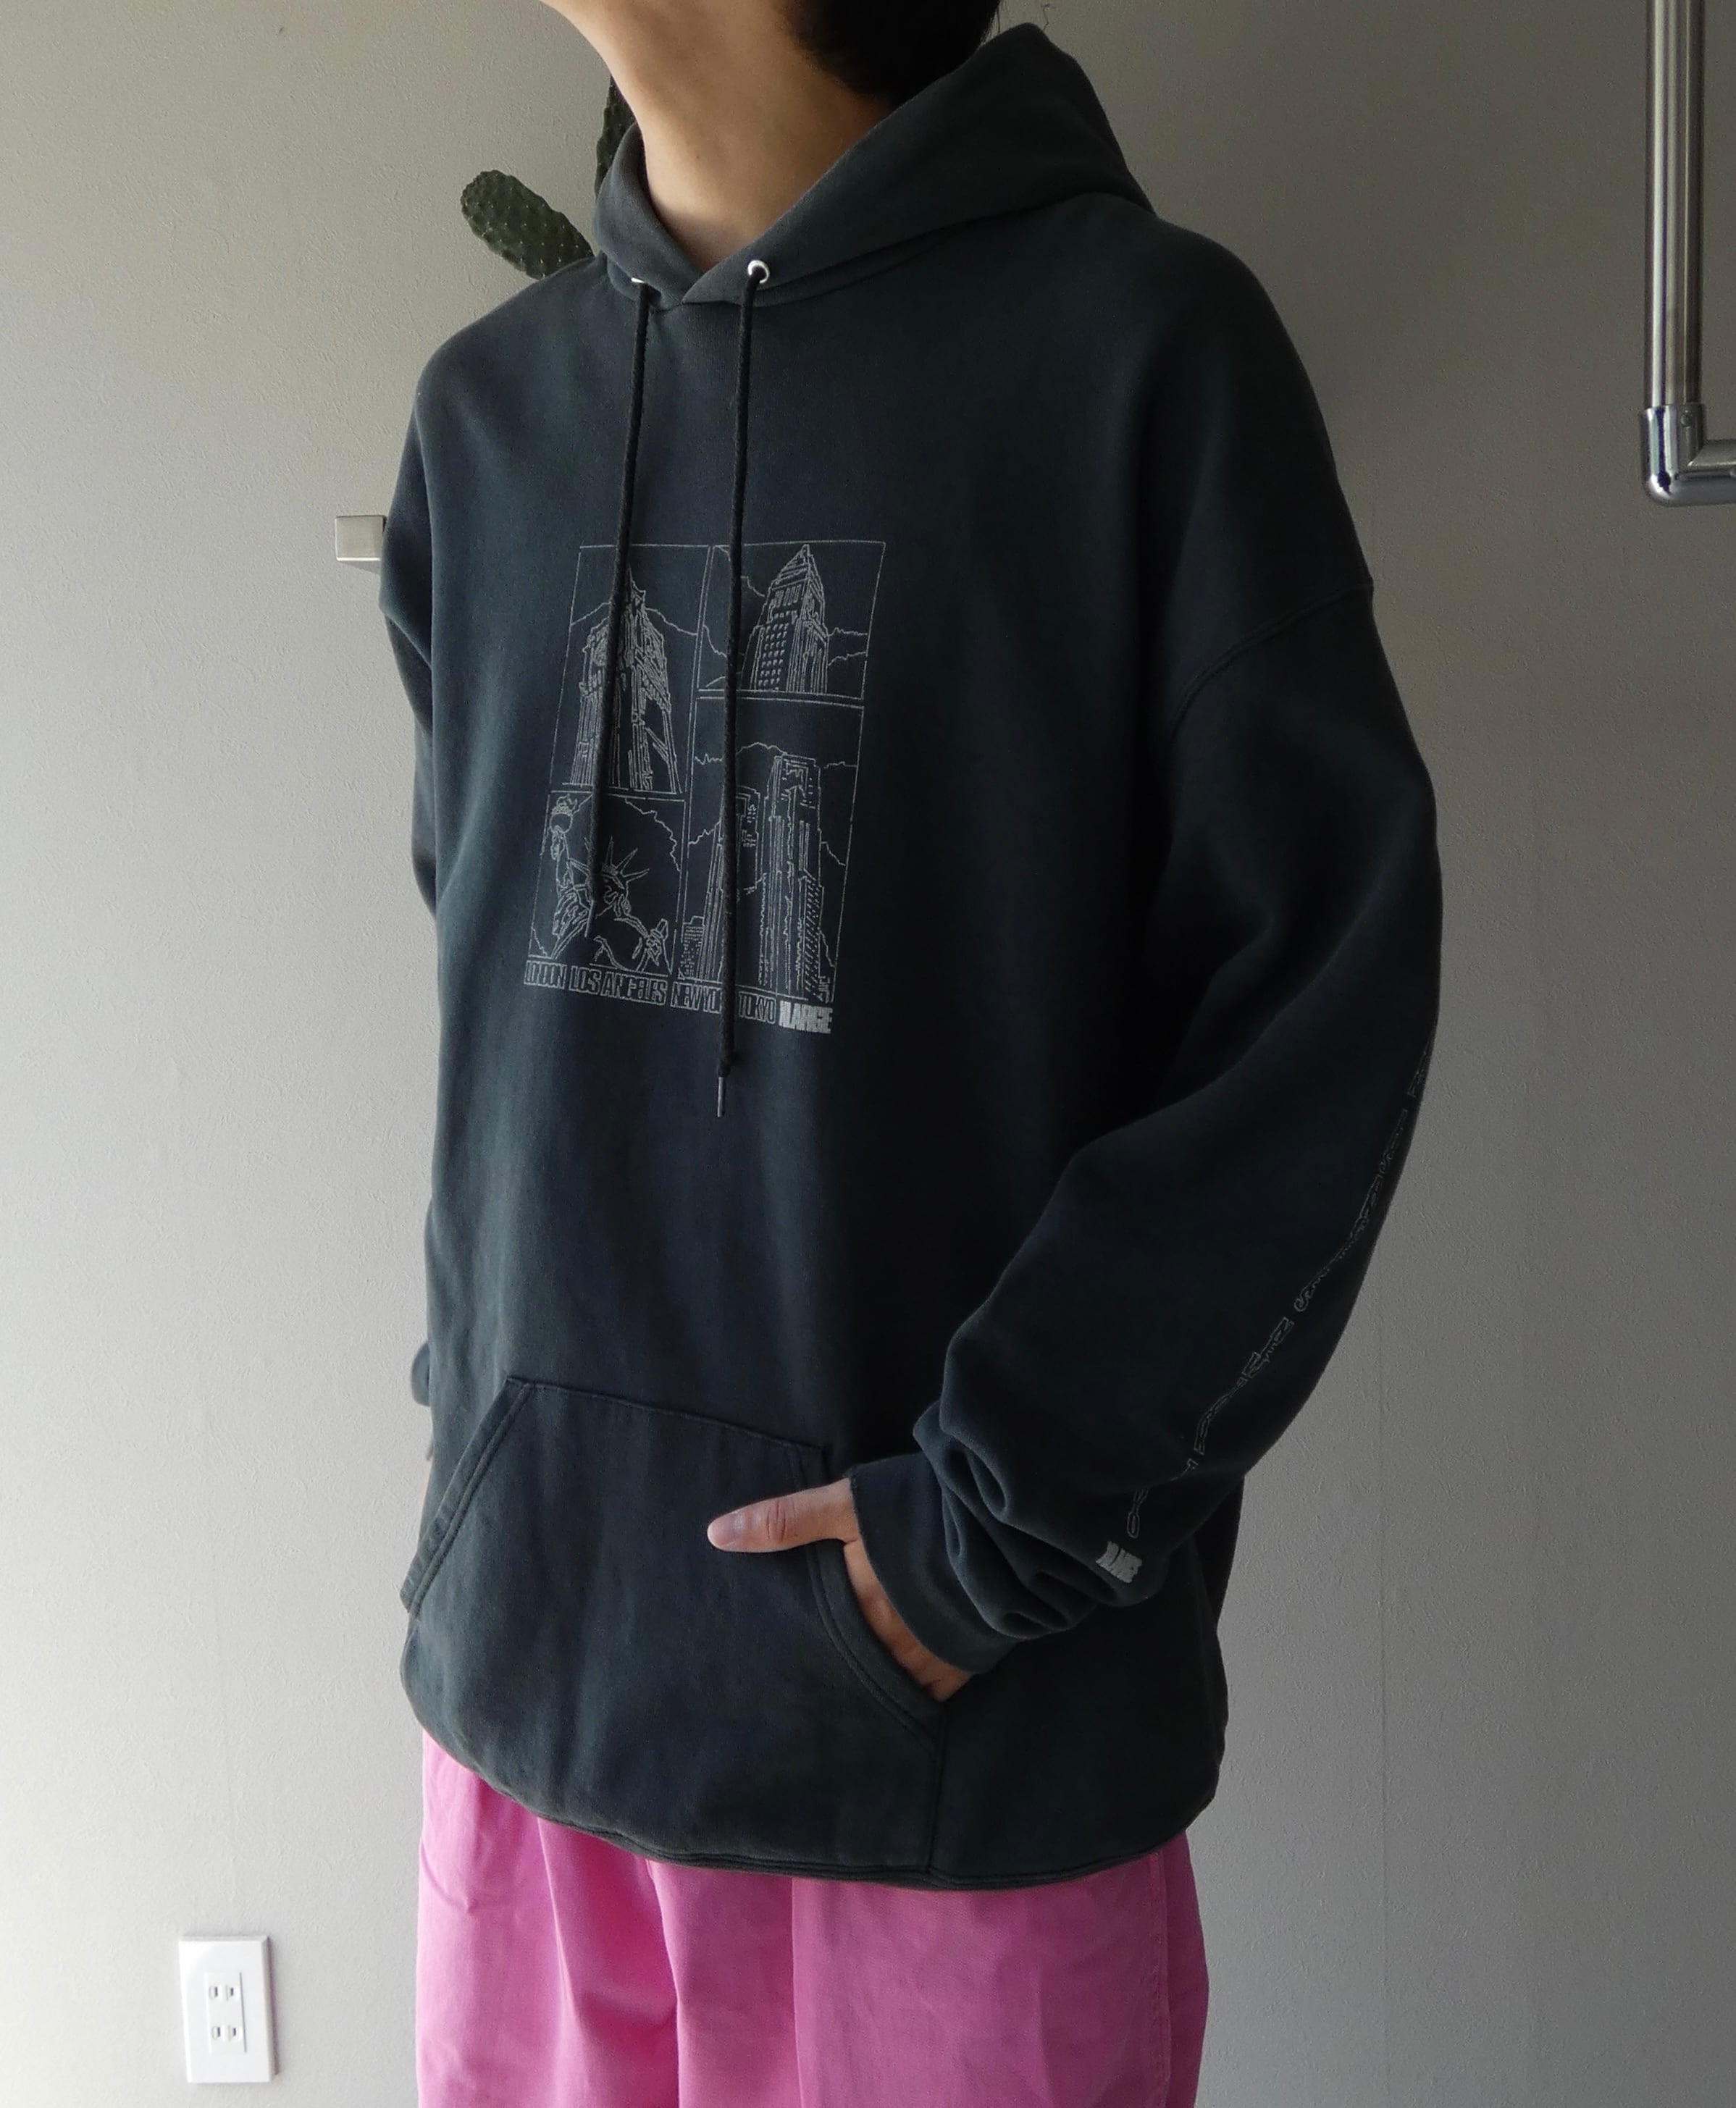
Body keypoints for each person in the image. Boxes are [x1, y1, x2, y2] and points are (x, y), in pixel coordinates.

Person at [377, 1, 1443, 2101]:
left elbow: (1311, 1023)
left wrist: (987, 1538)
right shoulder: (484, 422)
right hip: (531, 1725)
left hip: (957, 1757)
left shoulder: (1143, 363)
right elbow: (497, 1038)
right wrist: (485, 1473)